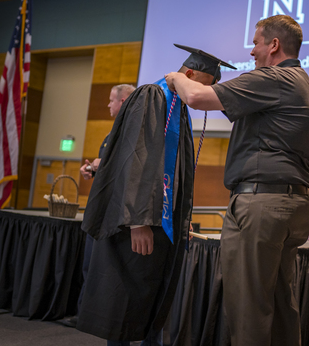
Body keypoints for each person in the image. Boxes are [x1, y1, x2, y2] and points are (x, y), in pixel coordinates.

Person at [165, 15, 309, 346]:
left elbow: (196, 97)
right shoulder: (301, 82)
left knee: (247, 307)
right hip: (290, 203)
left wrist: (177, 78)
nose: (252, 51)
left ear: (274, 45)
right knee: (280, 305)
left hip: (260, 205)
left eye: (255, 43)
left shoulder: (273, 78)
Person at [76, 45, 235, 346]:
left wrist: (179, 218)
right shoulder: (151, 96)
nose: (204, 95)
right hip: (138, 223)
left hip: (161, 226)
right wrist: (138, 221)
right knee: (124, 305)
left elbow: (176, 171)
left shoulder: (180, 109)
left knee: (155, 302)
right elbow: (136, 158)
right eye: (204, 84)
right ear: (188, 74)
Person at [61, 84, 135, 328]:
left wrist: (100, 165)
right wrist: (90, 170)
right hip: (100, 209)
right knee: (89, 264)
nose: (108, 105)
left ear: (123, 101)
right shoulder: (110, 134)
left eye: (111, 100)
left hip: (115, 213)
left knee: (105, 268)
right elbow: (106, 169)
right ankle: (85, 314)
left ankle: (98, 317)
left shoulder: (133, 133)